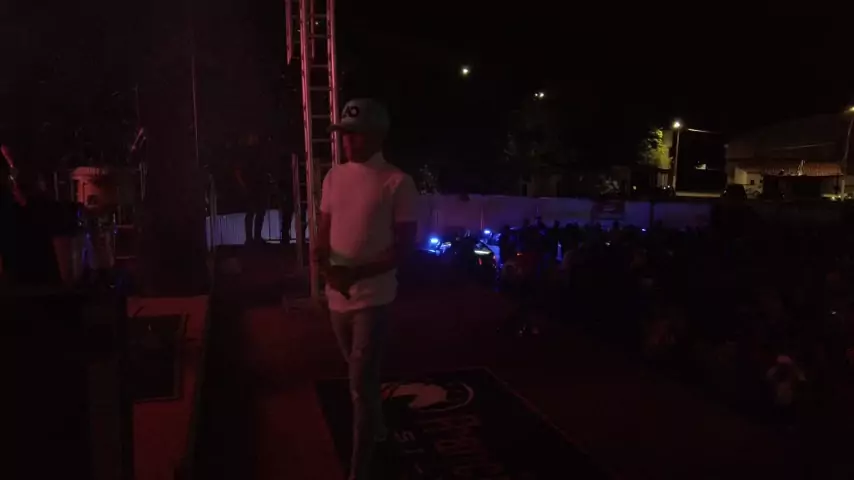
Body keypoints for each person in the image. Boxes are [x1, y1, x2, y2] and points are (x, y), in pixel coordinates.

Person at [312, 99, 418, 480]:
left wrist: (355, 273)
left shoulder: (398, 182)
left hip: (374, 298)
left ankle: (360, 469)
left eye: (355, 134)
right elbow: (323, 230)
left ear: (377, 136)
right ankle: (379, 428)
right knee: (361, 378)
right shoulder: (333, 177)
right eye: (344, 134)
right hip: (337, 295)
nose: (347, 141)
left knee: (358, 384)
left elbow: (403, 248)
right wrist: (325, 267)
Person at [234, 133, 270, 244]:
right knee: (251, 212)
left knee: (259, 212)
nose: (255, 139)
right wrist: (244, 185)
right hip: (251, 186)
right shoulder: (245, 154)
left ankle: (256, 237)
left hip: (258, 186)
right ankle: (250, 238)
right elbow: (238, 171)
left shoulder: (258, 153)